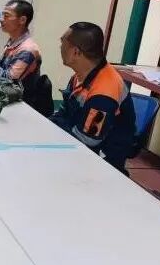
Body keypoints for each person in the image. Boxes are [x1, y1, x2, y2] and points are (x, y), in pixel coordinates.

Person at [51, 22, 136, 174]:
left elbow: (87, 140)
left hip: (100, 161)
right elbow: (63, 113)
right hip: (75, 142)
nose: (60, 47)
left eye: (62, 42)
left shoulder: (104, 92)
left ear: (76, 52)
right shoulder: (81, 75)